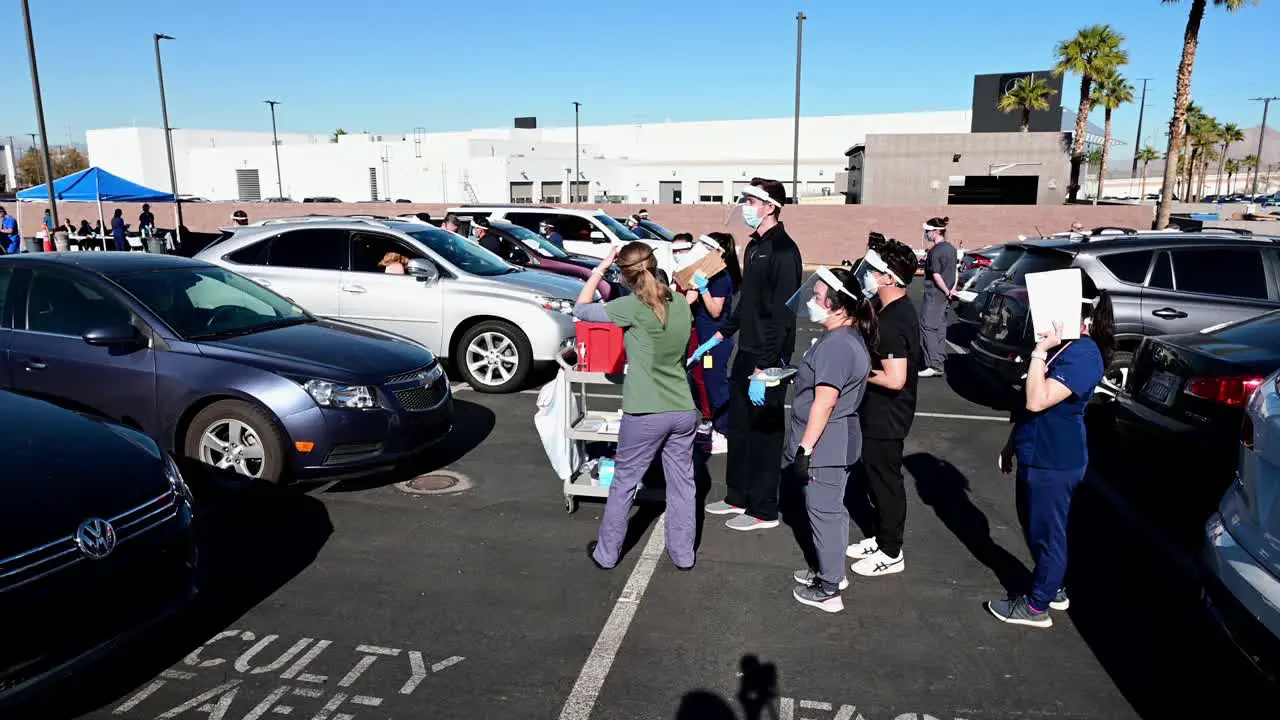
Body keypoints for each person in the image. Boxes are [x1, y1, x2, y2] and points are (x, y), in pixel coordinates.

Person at [986, 292, 1113, 628]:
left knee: (1048, 533)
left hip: (1055, 458)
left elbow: (1037, 401)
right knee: (1034, 526)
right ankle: (1051, 585)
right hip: (1035, 450)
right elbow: (1026, 409)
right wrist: (1011, 445)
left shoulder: (1084, 354)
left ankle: (1037, 605)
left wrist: (1039, 353)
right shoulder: (1064, 347)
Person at [571, 242, 700, 571]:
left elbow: (581, 308)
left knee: (625, 482)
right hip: (682, 407)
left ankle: (607, 553)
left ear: (625, 275)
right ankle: (684, 553)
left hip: (646, 409)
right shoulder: (683, 305)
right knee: (683, 483)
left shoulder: (630, 307)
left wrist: (600, 267)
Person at [693, 178, 802, 532]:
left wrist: (764, 367)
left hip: (767, 360)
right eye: (745, 200)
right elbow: (748, 304)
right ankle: (738, 494)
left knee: (764, 435)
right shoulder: (754, 247)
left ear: (770, 207)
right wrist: (721, 336)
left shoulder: (785, 251)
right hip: (746, 352)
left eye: (751, 200)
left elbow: (781, 315)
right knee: (739, 428)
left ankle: (764, 508)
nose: (745, 206)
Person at [784, 266, 875, 613]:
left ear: (839, 308)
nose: (811, 301)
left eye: (818, 297)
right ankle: (829, 570)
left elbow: (825, 401)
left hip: (827, 446)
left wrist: (805, 450)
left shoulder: (837, 345)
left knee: (823, 512)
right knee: (831, 511)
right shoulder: (843, 338)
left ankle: (830, 588)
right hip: (840, 441)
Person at [846, 234, 921, 578]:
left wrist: (858, 370)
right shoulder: (889, 309)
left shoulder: (893, 321)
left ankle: (892, 551)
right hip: (877, 413)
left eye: (873, 270)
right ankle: (881, 536)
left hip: (887, 417)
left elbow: (894, 379)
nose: (866, 274)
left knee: (885, 482)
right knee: (876, 480)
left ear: (889, 278)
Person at [684, 233, 740, 454]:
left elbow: (716, 311)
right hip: (707, 340)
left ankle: (724, 431)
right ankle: (717, 427)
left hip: (715, 343)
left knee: (716, 385)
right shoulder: (710, 275)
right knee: (708, 381)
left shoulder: (720, 278)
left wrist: (703, 290)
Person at [918, 216, 957, 378]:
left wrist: (947, 291)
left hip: (935, 294)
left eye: (928, 231)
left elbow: (936, 275)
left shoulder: (935, 251)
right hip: (945, 295)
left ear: (937, 231)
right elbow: (955, 271)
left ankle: (933, 364)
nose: (926, 234)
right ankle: (939, 360)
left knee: (928, 327)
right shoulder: (951, 249)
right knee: (940, 327)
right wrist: (952, 290)